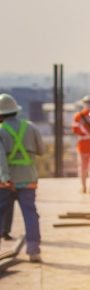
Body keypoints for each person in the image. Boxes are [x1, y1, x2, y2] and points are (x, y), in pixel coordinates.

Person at [0, 94, 44, 262]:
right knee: (30, 214)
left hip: (7, 181)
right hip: (28, 178)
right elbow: (41, 151)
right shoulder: (31, 127)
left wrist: (5, 177)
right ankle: (34, 251)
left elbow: (1, 158)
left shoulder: (1, 130)